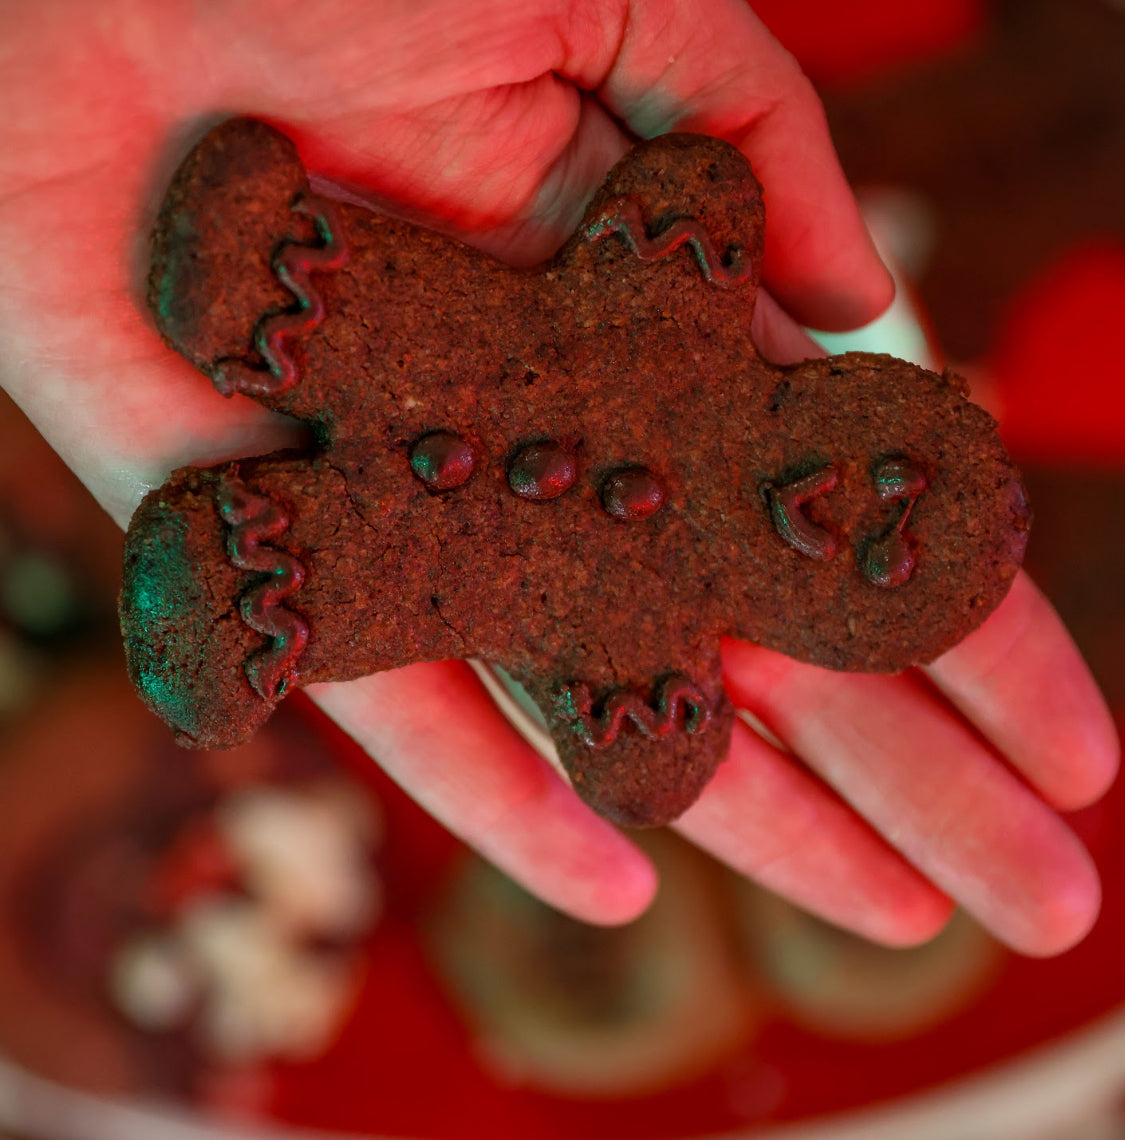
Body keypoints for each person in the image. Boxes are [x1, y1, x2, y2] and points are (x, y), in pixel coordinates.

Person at [0, 0, 1116, 958]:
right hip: (461, 343)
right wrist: (694, 228)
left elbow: (645, 759)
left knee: (338, 575)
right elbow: (686, 197)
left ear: (831, 630)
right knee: (361, 315)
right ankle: (258, 272)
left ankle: (237, 590)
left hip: (455, 566)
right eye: (891, 474)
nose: (841, 504)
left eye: (873, 555)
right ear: (869, 395)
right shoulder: (681, 333)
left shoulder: (650, 631)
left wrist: (648, 726)